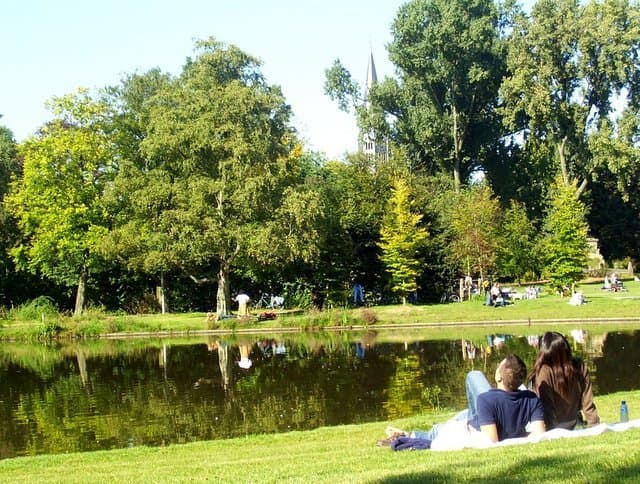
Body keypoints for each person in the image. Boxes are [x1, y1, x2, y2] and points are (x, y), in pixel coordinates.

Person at [382, 354, 545, 446]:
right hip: (483, 416)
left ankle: (408, 434)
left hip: (471, 427)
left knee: (473, 376)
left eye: (497, 368)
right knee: (462, 415)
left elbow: (492, 440)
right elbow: (540, 434)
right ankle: (408, 433)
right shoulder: (531, 398)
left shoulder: (486, 399)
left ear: (498, 377)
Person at [528, 331, 600, 430]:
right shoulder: (579, 366)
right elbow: (588, 405)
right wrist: (595, 425)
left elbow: (547, 409)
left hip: (553, 425)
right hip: (571, 423)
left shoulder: (543, 372)